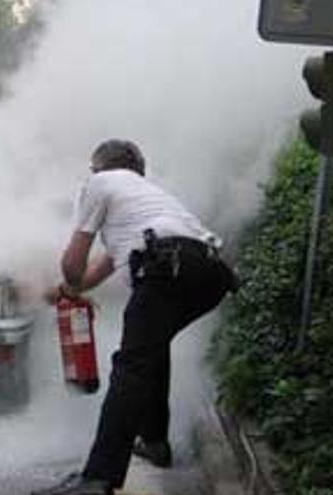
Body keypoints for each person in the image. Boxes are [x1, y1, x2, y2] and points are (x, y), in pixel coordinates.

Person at [33, 140, 237, 495]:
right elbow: (106, 265)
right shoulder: (148, 199)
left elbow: (74, 263)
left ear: (98, 168)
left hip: (165, 268)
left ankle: (98, 478)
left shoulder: (99, 184)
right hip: (212, 274)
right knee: (151, 349)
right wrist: (71, 291)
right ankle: (155, 441)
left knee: (131, 366)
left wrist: (68, 283)